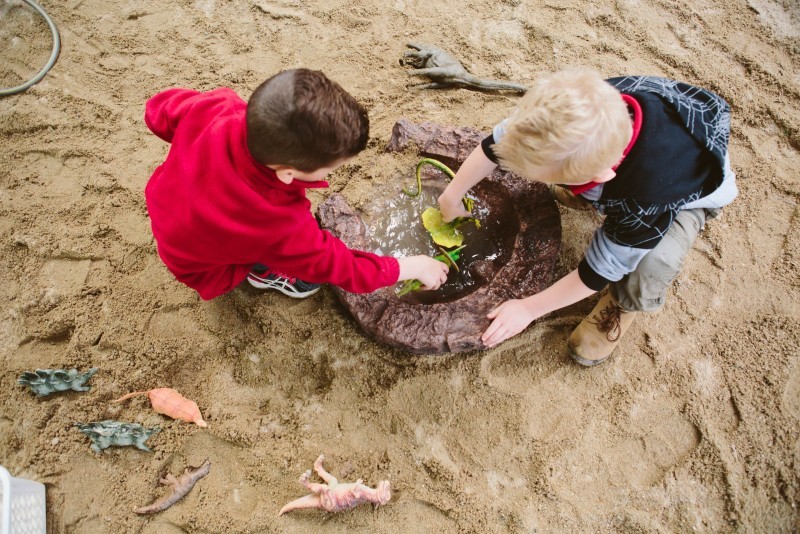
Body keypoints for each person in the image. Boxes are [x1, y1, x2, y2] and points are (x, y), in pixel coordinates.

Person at [438, 69, 737, 365]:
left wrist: (529, 309)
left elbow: (601, 269)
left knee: (651, 263)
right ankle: (583, 192)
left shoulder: (643, 194)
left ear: (599, 176)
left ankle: (624, 304)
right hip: (643, 148)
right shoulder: (568, 111)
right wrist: (451, 196)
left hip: (685, 196)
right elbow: (497, 144)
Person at [144, 69, 448, 301]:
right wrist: (410, 267)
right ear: (288, 174)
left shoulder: (219, 106)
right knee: (278, 256)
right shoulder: (278, 221)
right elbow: (338, 265)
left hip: (169, 210)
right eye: (330, 168)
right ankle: (263, 273)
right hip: (201, 263)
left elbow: (158, 112)